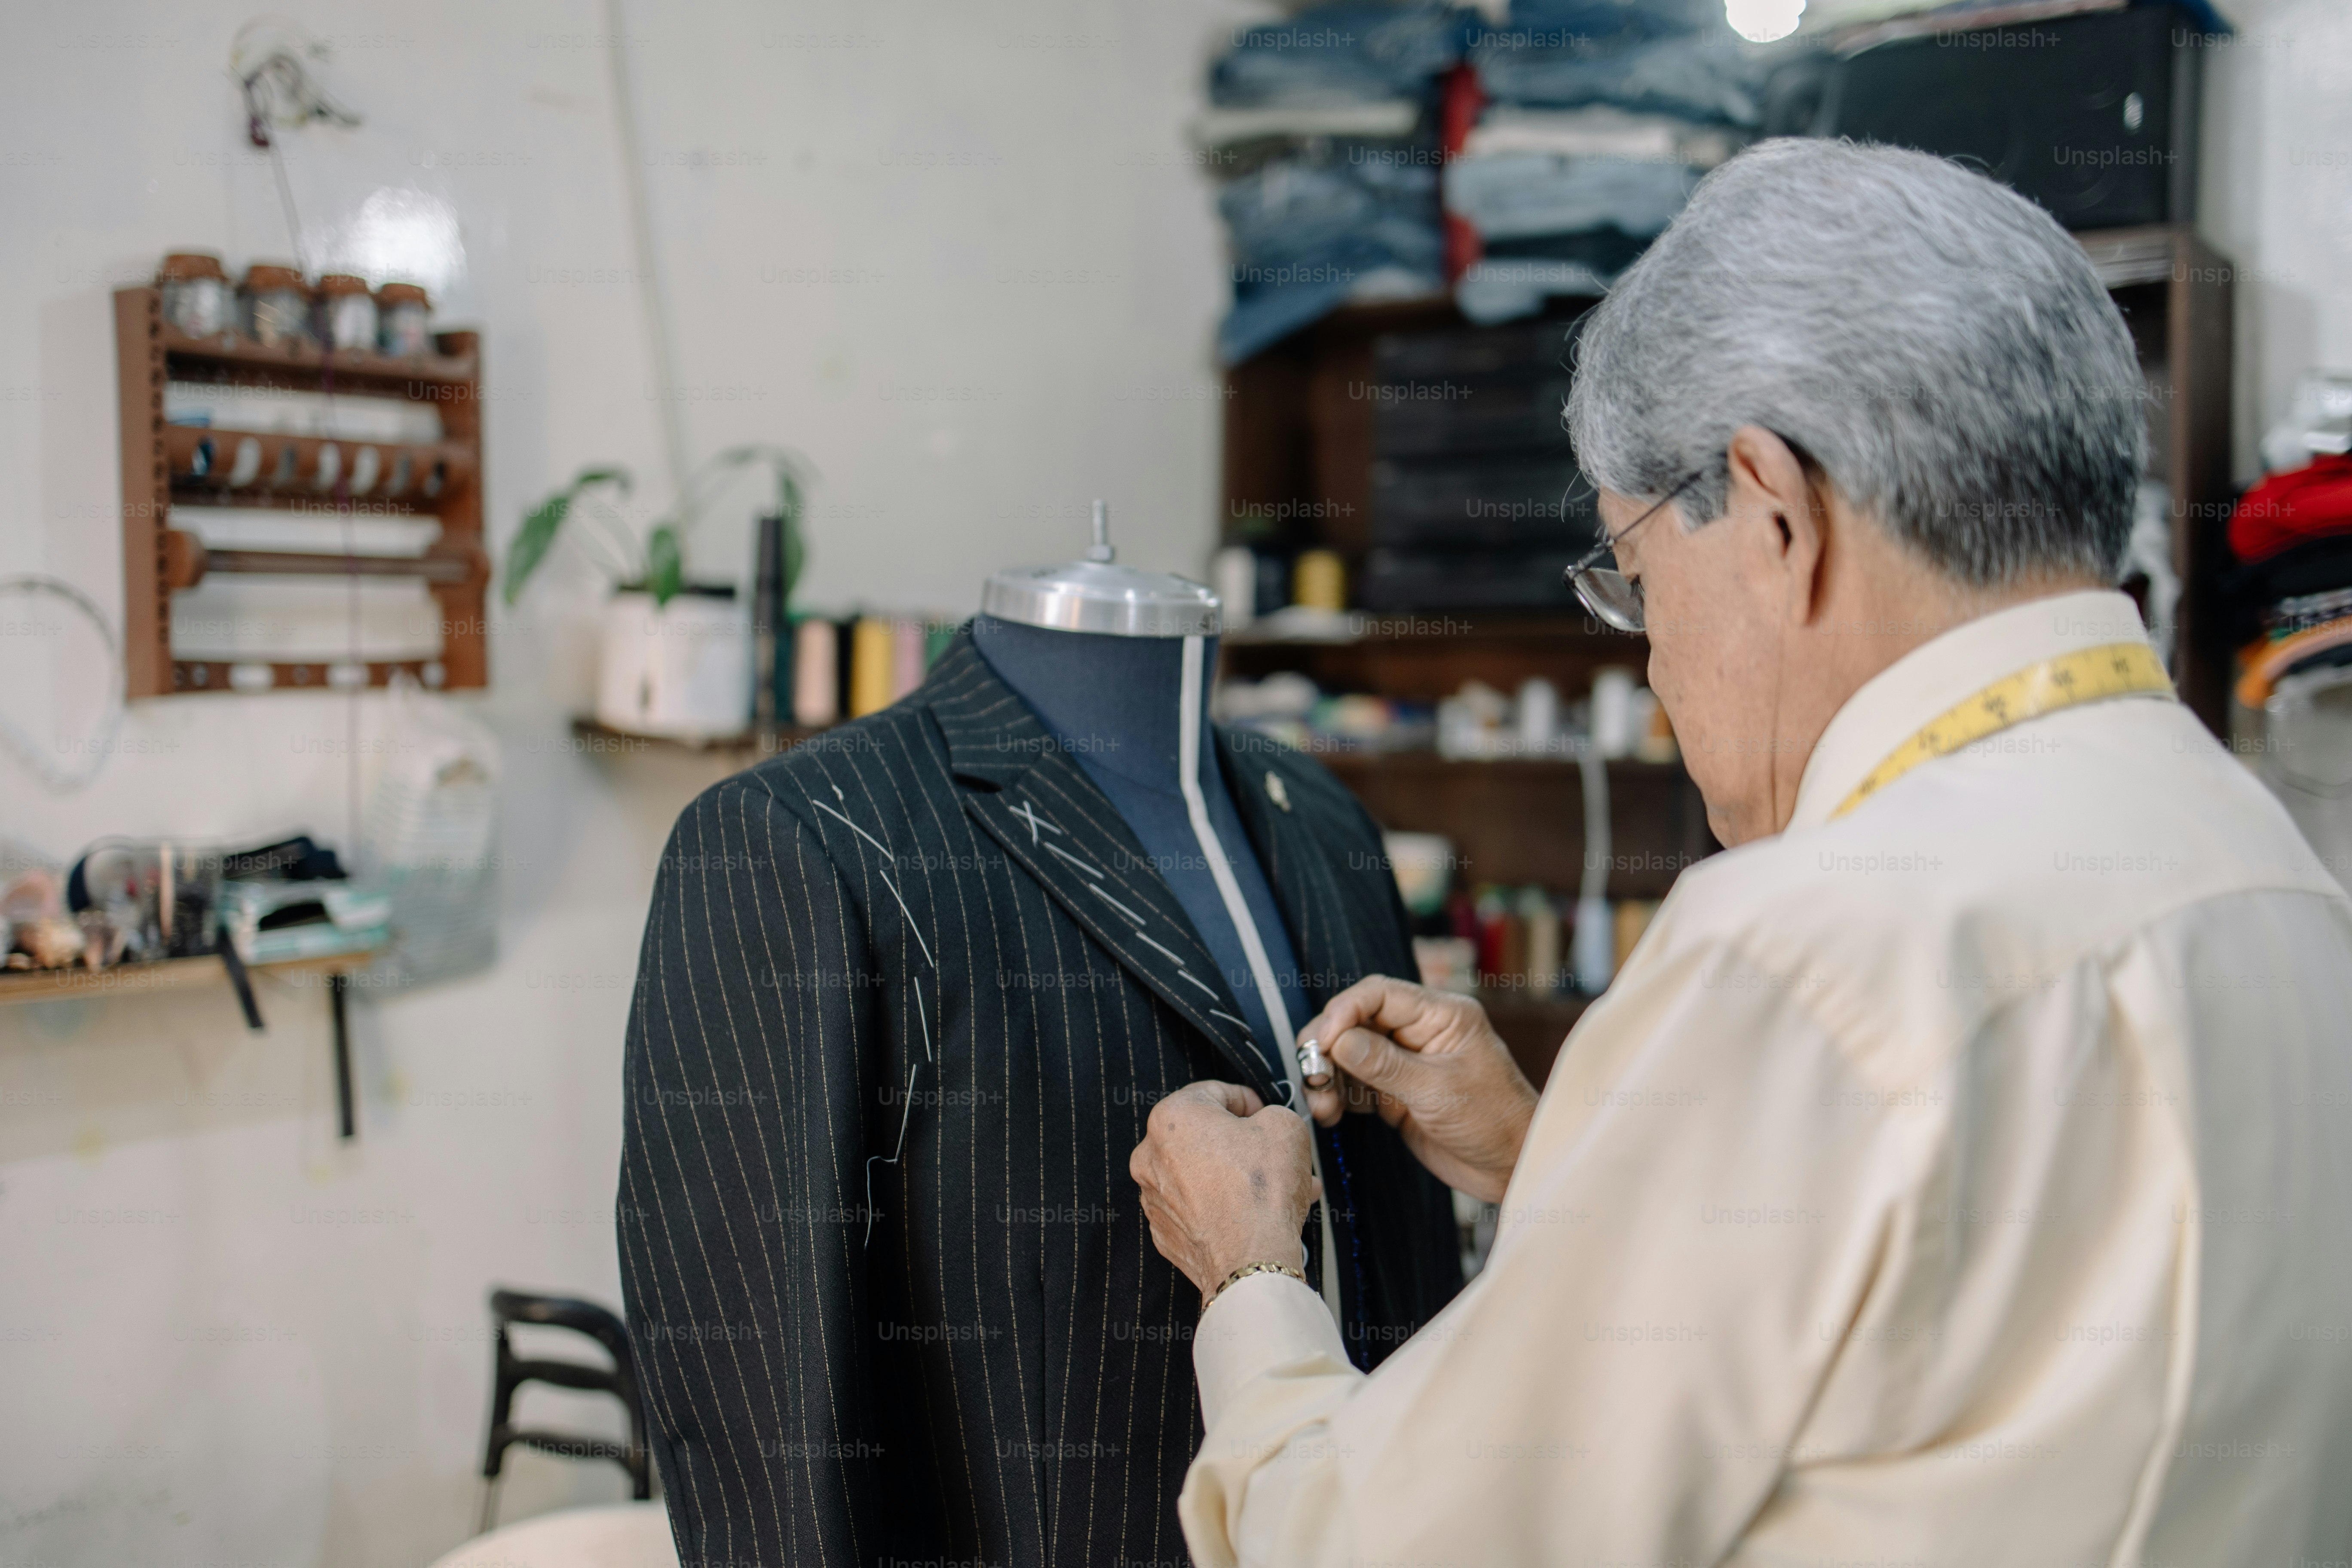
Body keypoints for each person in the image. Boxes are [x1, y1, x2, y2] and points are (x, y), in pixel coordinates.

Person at [1129, 138, 2352, 1568]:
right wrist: (1562, 1162)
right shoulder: (2272, 878)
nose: (1650, 662)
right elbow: (1966, 1328)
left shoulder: (1804, 951)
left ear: (1775, 510)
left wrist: (1254, 1281)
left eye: (1635, 575)